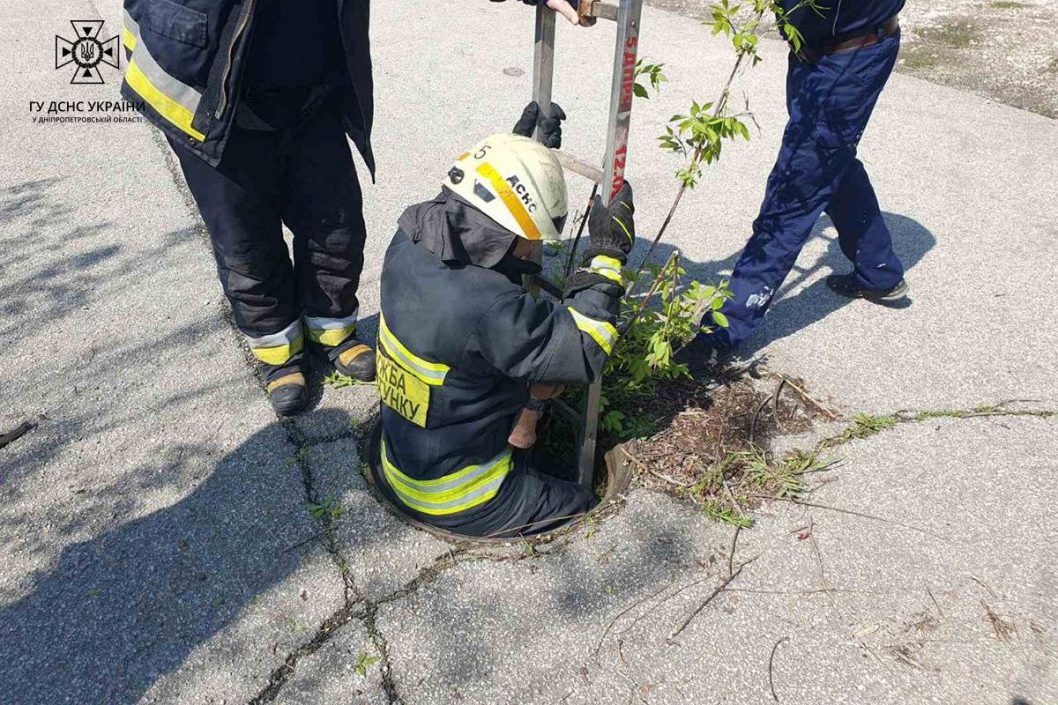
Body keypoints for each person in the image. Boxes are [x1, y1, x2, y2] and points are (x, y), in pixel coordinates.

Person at [119, 0, 581, 416]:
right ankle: (280, 352)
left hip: (308, 94)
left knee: (335, 226)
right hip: (204, 95)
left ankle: (331, 331)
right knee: (246, 242)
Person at [369, 105, 636, 537]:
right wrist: (606, 255)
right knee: (585, 508)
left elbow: (485, 249)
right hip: (462, 495)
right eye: (532, 235)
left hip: (403, 458)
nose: (535, 247)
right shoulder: (490, 309)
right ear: (511, 231)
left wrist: (526, 168)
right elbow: (584, 348)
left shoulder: (410, 236)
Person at [681, 0, 908, 369]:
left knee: (794, 191)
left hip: (852, 55)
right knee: (828, 163)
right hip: (811, 55)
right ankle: (879, 271)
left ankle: (723, 332)